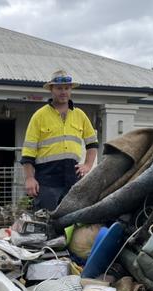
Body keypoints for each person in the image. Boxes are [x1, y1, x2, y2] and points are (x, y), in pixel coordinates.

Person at [20, 70, 98, 211]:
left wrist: (87, 165)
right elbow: (28, 152)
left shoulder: (80, 115)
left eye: (67, 88)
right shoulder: (39, 116)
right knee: (45, 222)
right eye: (59, 88)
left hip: (72, 179)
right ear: (51, 89)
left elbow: (92, 144)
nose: (64, 92)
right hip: (47, 180)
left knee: (71, 222)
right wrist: (29, 178)